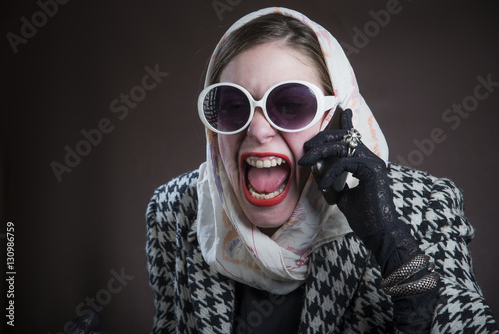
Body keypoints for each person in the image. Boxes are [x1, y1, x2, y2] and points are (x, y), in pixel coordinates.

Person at [146, 7, 498, 334]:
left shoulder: (425, 206)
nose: (257, 130)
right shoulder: (175, 210)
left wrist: (389, 242)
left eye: (290, 105)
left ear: (335, 118)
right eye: (233, 106)